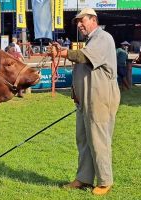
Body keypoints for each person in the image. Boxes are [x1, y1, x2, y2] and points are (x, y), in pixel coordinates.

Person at [48, 8, 120, 196]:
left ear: (93, 19)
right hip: (86, 100)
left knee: (98, 139)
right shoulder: (91, 40)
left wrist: (62, 52)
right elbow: (84, 70)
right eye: (77, 22)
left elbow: (83, 57)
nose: (79, 24)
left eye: (82, 20)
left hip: (101, 97)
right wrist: (76, 93)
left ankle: (105, 181)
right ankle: (84, 178)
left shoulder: (103, 38)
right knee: (84, 140)